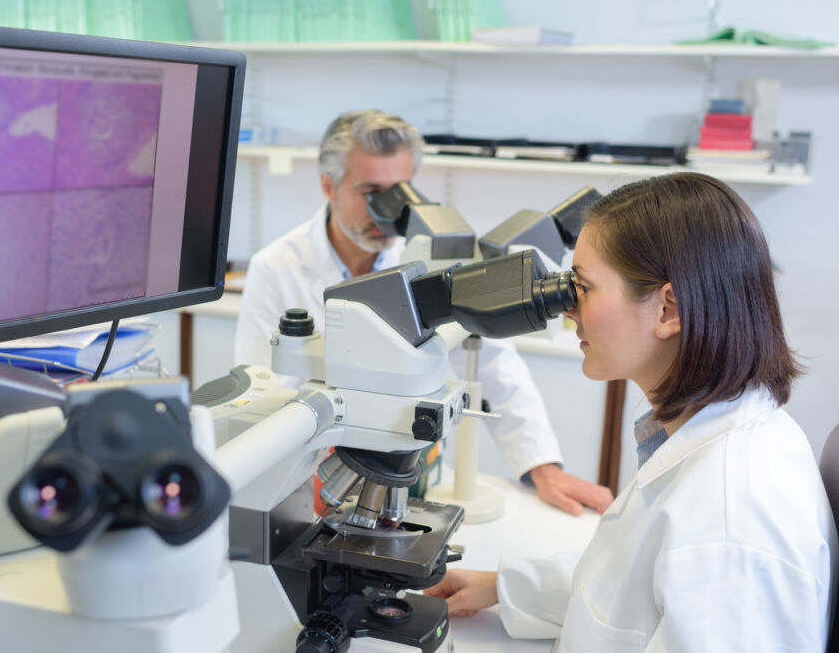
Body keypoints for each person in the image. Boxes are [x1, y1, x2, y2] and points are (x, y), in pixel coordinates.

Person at [425, 172, 837, 650]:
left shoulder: (731, 524)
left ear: (668, 311)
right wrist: (504, 587)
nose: (567, 309)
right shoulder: (701, 433)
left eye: (581, 287)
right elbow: (628, 582)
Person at [234, 109, 612, 516]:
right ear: (328, 185)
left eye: (398, 192)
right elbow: (263, 393)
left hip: (411, 471)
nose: (386, 212)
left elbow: (496, 367)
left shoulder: (427, 258)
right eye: (371, 193)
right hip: (311, 473)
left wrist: (542, 466)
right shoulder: (276, 266)